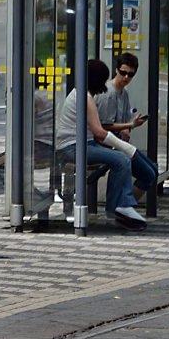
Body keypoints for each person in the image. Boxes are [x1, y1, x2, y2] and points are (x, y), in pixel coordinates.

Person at [54, 59, 147, 230]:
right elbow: (99, 131)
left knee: (120, 158)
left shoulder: (81, 94)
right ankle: (119, 206)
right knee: (121, 159)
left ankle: (119, 205)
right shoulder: (85, 98)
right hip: (73, 148)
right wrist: (125, 147)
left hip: (79, 145)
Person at [94, 53, 159, 201]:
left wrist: (127, 127)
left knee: (152, 171)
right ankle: (124, 205)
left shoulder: (124, 93)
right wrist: (130, 125)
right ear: (116, 70)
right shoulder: (108, 93)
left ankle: (126, 203)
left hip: (116, 142)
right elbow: (104, 126)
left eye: (130, 74)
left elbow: (119, 122)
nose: (126, 77)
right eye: (123, 73)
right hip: (107, 143)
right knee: (147, 173)